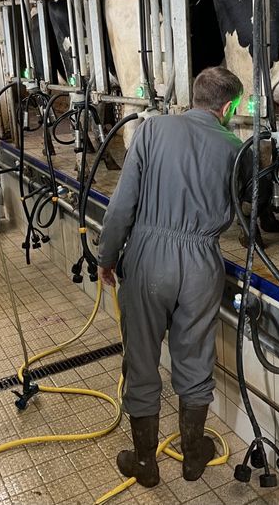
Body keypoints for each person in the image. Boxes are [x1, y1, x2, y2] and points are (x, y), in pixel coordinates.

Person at [97, 66, 244, 487]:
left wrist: (107, 256)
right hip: (202, 264)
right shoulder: (236, 147)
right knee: (195, 359)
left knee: (141, 360)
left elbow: (122, 205)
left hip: (147, 259)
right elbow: (245, 218)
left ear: (194, 96)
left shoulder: (152, 129)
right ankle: (193, 456)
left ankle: (145, 463)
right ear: (229, 106)